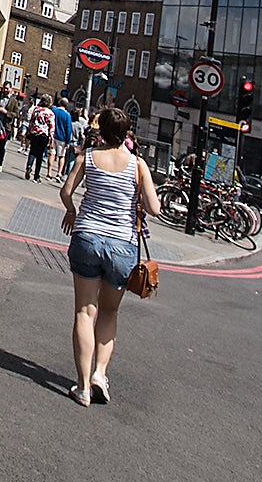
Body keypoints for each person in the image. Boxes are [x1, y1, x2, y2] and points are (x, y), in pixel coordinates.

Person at [58, 105, 161, 406]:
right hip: (122, 245)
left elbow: (66, 191)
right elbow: (154, 209)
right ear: (127, 133)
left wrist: (72, 211)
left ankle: (82, 388)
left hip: (87, 237)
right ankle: (99, 375)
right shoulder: (138, 165)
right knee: (109, 312)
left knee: (84, 312)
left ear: (101, 130)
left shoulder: (86, 158)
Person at [24, 93, 56, 181]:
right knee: (40, 155)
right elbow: (51, 127)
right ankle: (36, 176)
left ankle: (29, 165)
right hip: (43, 135)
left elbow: (31, 121)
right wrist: (51, 138)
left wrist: (29, 131)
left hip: (34, 133)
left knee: (32, 151)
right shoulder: (50, 113)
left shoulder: (36, 110)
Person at [49, 95, 74, 181]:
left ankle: (49, 172)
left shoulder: (54, 111)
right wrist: (68, 141)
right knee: (61, 156)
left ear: (59, 102)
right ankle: (59, 173)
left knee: (52, 154)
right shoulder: (67, 115)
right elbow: (68, 129)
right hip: (62, 138)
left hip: (53, 136)